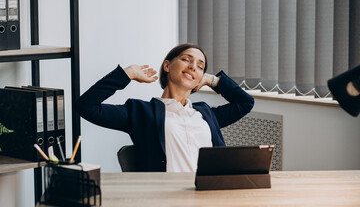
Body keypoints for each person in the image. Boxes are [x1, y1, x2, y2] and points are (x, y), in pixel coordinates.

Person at [75, 43, 254, 172]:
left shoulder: (205, 114)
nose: (193, 67)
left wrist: (213, 80)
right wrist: (127, 74)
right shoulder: (141, 112)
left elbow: (246, 103)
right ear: (167, 66)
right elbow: (86, 106)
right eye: (186, 60)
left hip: (211, 194)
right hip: (168, 197)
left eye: (200, 66)